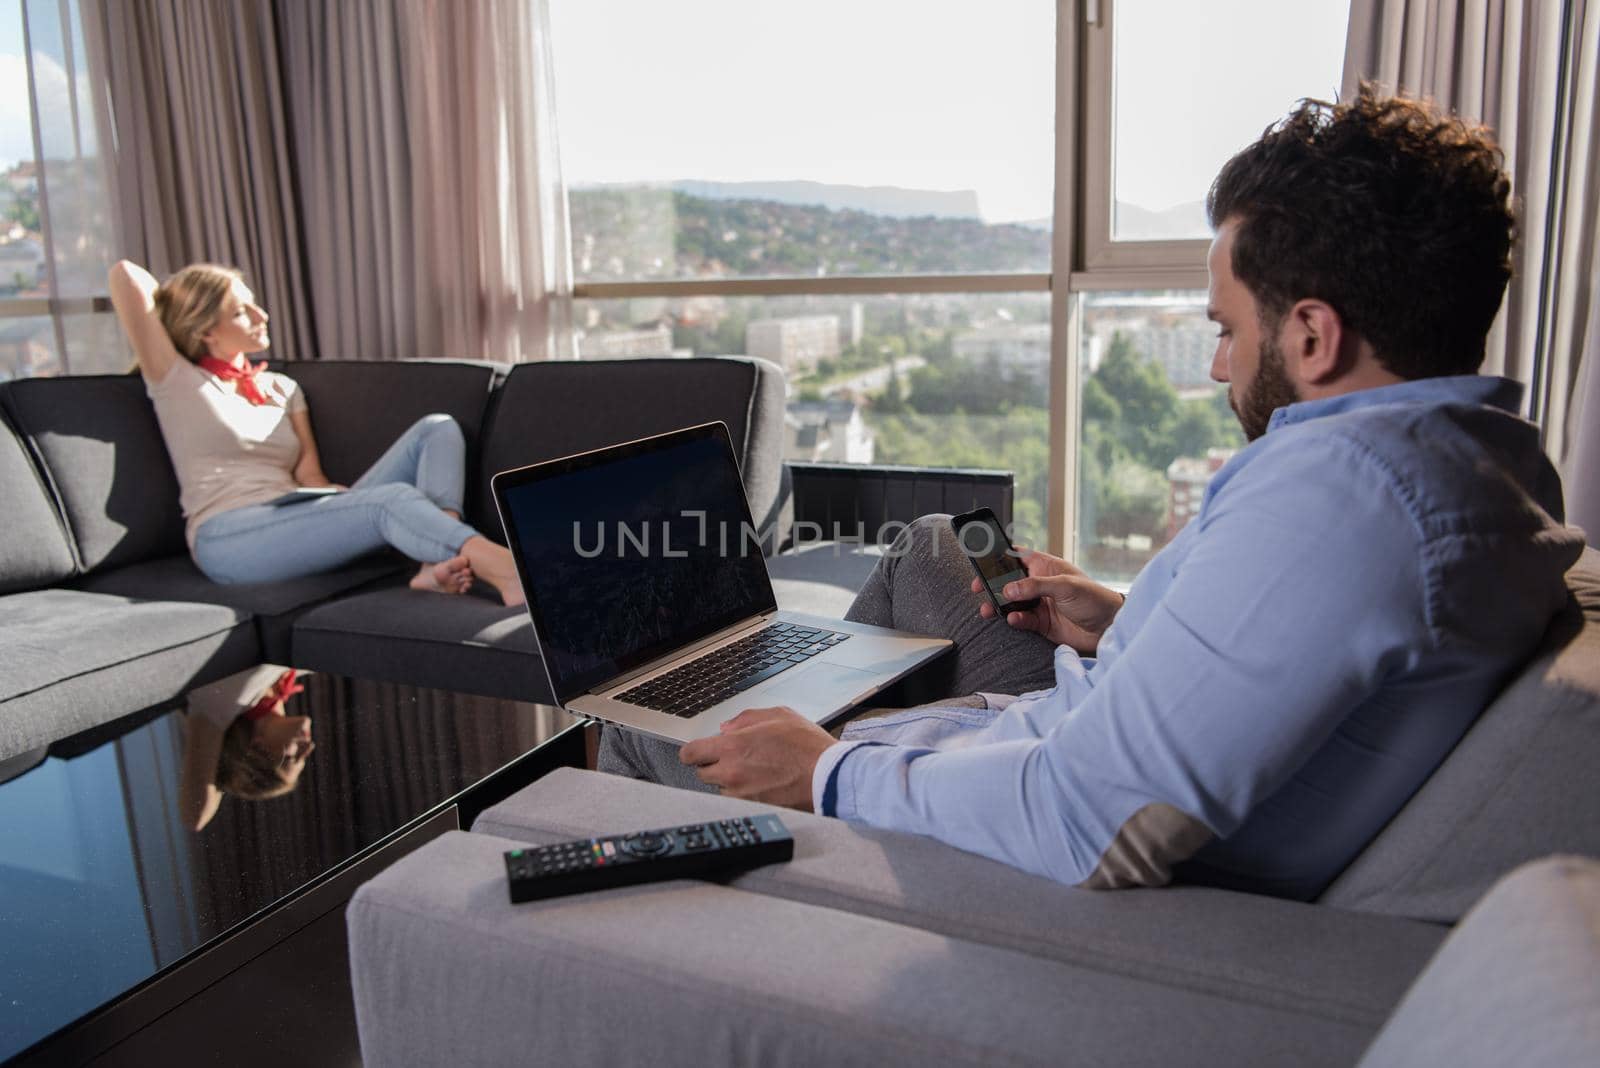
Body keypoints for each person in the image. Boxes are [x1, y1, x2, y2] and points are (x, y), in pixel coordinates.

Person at [600, 87, 1587, 900]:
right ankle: (826, 698)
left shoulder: (1342, 498)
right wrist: (1120, 621)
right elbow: (1278, 660)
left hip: (1022, 776)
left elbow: (1085, 819)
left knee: (633, 725)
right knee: (938, 541)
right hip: (1062, 711)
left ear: (1315, 337)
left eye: (1228, 330)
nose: (1215, 367)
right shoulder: (1485, 455)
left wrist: (825, 771)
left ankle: (740, 789)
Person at [108, 260, 523, 603]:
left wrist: (345, 505)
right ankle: (506, 571)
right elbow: (126, 276)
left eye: (254, 305)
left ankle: (434, 565)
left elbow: (310, 476)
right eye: (239, 311)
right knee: (391, 501)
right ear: (205, 330)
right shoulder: (177, 381)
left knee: (438, 429)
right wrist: (183, 294)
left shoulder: (282, 388)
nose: (261, 317)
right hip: (227, 537)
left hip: (295, 514)